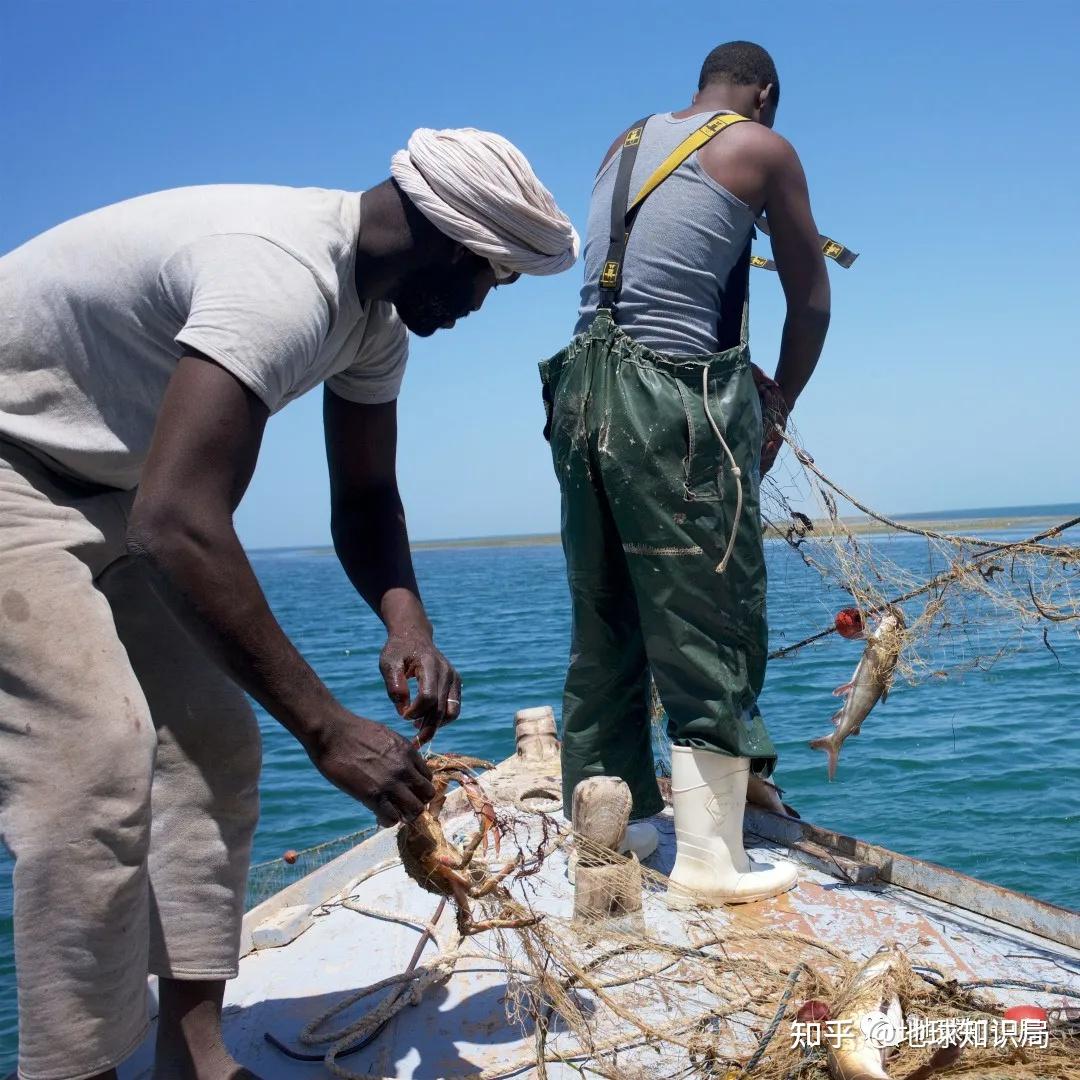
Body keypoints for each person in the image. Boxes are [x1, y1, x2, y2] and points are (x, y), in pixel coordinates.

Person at [0, 128, 576, 1080]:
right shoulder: (281, 277)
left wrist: (408, 624)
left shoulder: (371, 324)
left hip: (115, 490)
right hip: (15, 465)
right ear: (450, 239)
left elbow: (364, 501)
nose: (481, 304)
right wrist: (325, 729)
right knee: (92, 753)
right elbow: (182, 520)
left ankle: (194, 1058)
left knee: (214, 742)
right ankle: (74, 1068)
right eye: (491, 280)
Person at [540, 42, 830, 903]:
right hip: (668, 397)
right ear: (764, 94)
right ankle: (710, 856)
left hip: (579, 395)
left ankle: (612, 831)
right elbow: (812, 296)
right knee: (711, 607)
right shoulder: (761, 147)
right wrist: (777, 406)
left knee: (606, 613)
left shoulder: (623, 142)